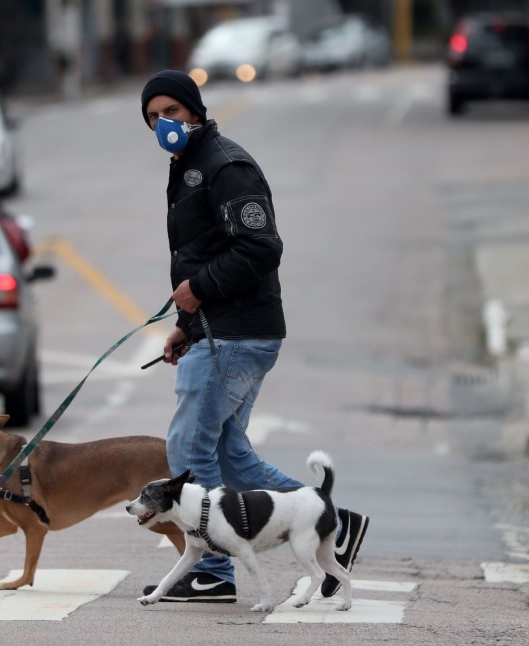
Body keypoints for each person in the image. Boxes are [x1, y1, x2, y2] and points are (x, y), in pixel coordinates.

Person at [139, 69, 369, 603]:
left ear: (194, 110)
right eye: (152, 118)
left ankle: (214, 570)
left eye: (171, 112)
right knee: (232, 455)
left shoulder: (226, 166)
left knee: (188, 447)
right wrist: (186, 324)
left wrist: (198, 288)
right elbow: (205, 251)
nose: (162, 124)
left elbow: (261, 248)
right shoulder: (189, 166)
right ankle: (338, 524)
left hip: (240, 333)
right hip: (220, 331)